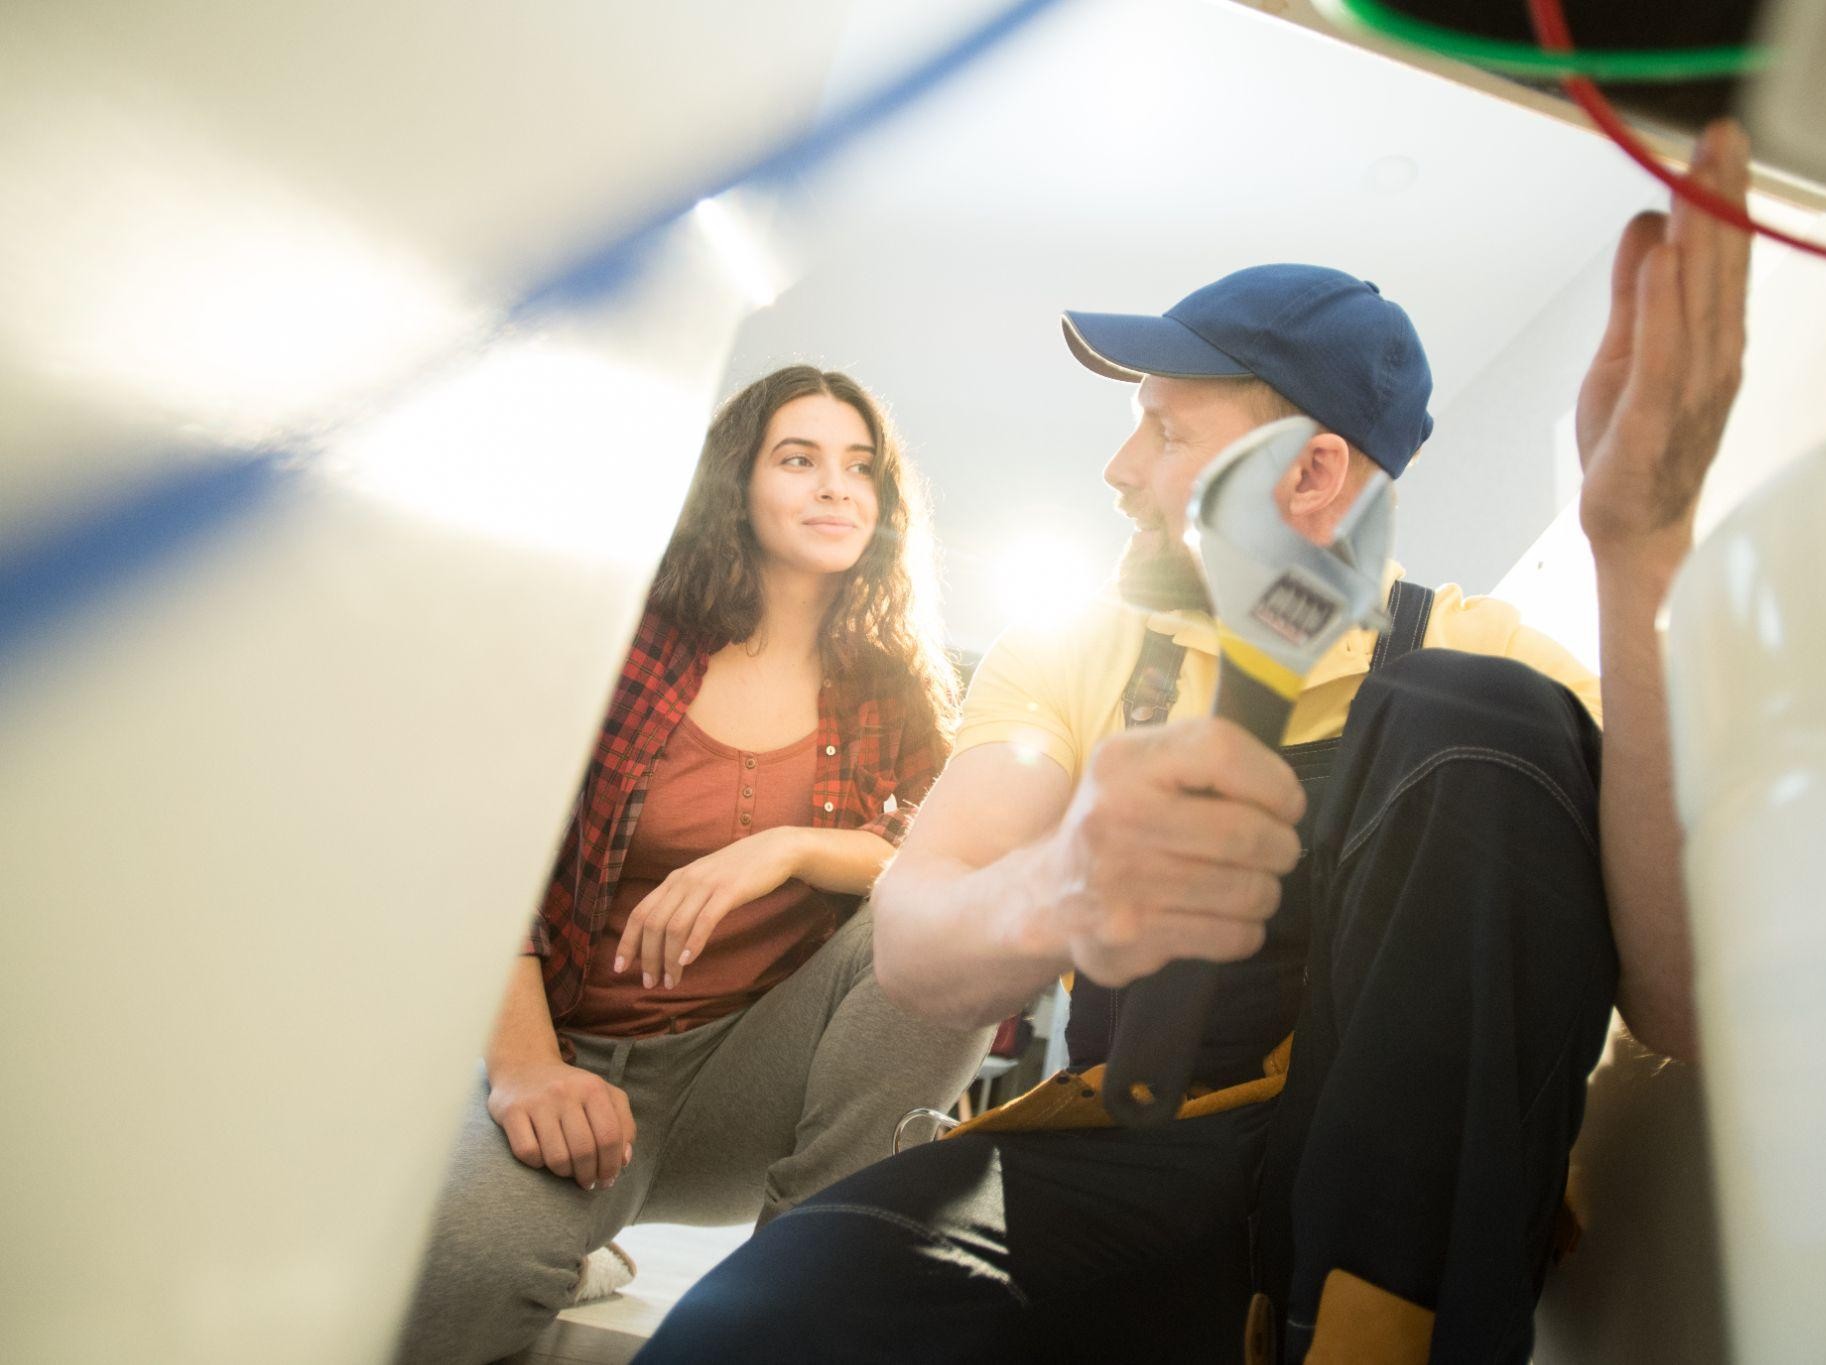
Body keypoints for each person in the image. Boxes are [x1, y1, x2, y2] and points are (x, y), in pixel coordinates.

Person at [641, 123, 1753, 1364]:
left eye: (1165, 432)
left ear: (1311, 474)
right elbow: (912, 939)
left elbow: (1677, 999)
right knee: (758, 1328)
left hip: (1401, 1219)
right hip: (1134, 1165)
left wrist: (1639, 547)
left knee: (1474, 714)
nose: (1120, 469)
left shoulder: (1485, 657)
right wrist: (1057, 889)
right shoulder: (1076, 651)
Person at [395, 365, 994, 1364]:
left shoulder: (888, 680)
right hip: (574, 1079)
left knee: (953, 922)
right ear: (735, 486)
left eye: (860, 468)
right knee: (456, 1277)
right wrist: (527, 1068)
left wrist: (785, 846)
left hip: (750, 1079)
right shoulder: (620, 640)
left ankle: (810, 1289)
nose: (836, 488)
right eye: (797, 460)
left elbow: (931, 855)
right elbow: (492, 857)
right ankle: (571, 1246)